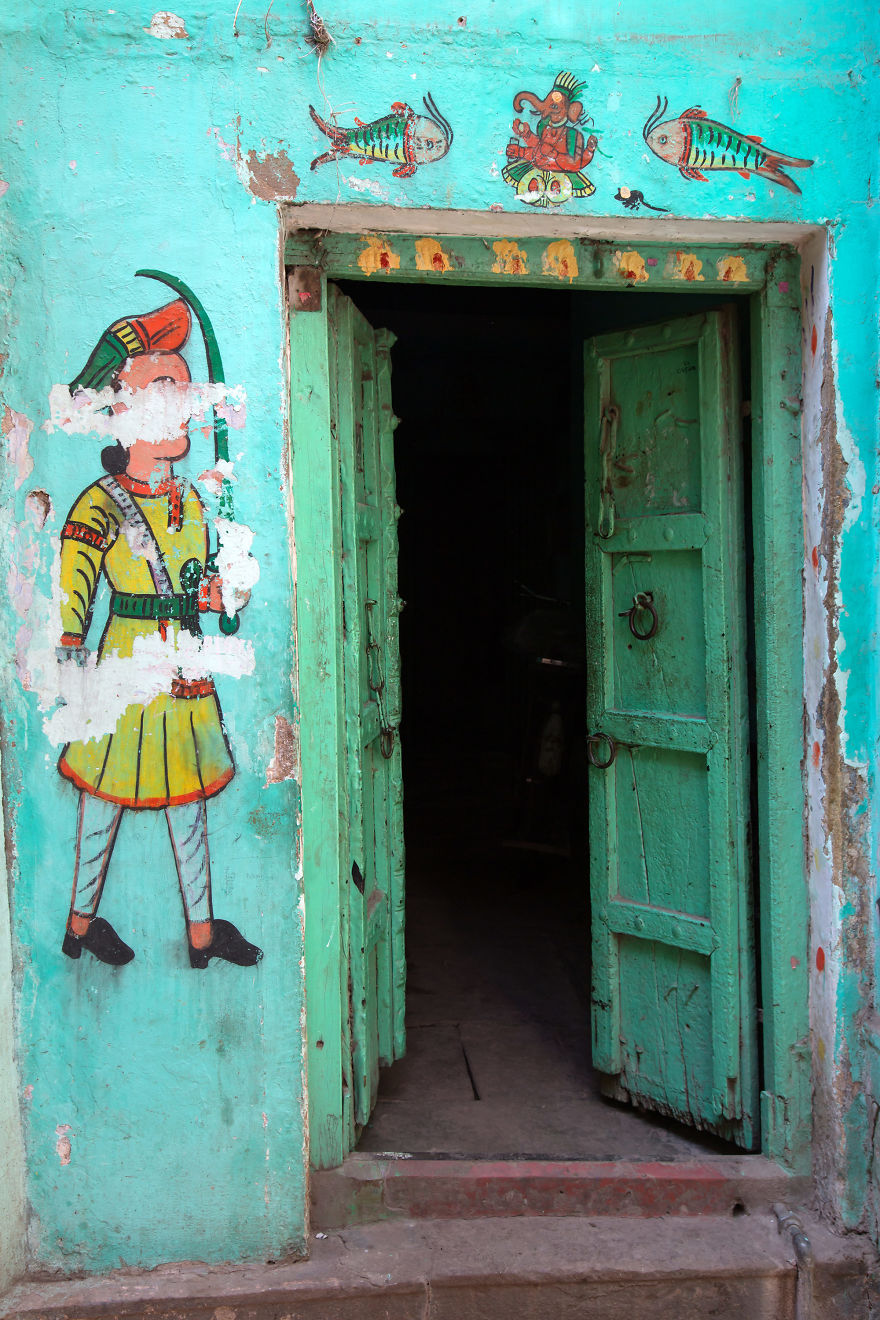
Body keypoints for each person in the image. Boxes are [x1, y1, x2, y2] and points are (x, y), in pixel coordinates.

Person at [56, 295, 262, 970]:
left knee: (187, 795)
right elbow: (78, 574)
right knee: (106, 792)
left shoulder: (191, 500)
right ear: (124, 411)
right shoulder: (101, 500)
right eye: (167, 390)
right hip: (127, 660)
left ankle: (202, 934)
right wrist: (69, 645)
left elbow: (201, 581)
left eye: (186, 389)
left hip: (185, 656)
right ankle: (81, 921)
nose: (187, 405)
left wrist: (223, 593)